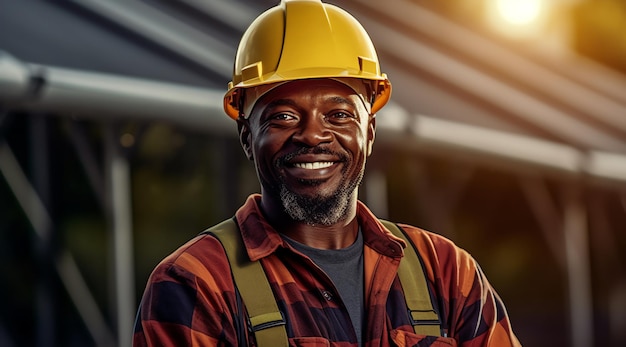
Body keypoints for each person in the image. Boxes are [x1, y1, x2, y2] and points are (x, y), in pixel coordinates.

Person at [133, 0, 522, 346]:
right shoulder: (197, 284)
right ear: (247, 136)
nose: (313, 135)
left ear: (369, 133)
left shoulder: (447, 274)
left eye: (338, 115)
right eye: (283, 116)